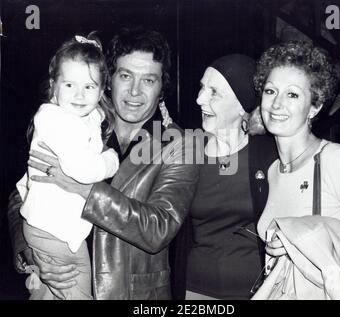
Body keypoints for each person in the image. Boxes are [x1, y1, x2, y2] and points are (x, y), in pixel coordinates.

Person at [7, 27, 199, 300]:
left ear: (162, 87)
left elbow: (159, 228)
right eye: (125, 76)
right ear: (108, 80)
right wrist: (35, 254)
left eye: (148, 80)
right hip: (58, 279)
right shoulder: (79, 119)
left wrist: (83, 189)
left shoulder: (180, 144)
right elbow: (21, 194)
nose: (134, 91)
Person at [253, 41, 340, 299]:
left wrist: (308, 243)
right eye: (270, 91)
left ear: (315, 107)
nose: (277, 104)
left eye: (292, 94)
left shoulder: (335, 161)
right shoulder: (273, 170)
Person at [15, 34, 119, 300]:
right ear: (53, 86)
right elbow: (83, 170)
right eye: (70, 84)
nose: (79, 95)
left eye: (89, 86)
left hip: (48, 228)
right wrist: (110, 160)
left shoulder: (85, 117)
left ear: (102, 89)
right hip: (56, 234)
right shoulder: (55, 119)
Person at [171, 54, 277, 300]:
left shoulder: (268, 155)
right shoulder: (187, 152)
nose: (199, 99)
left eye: (214, 92)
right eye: (201, 88)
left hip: (255, 292)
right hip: (194, 289)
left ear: (242, 106)